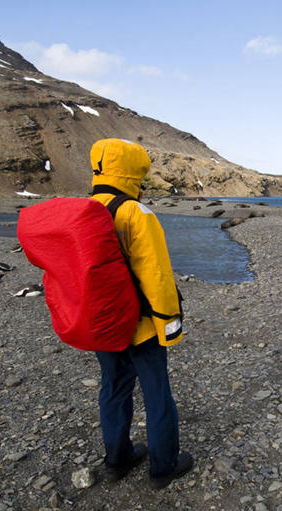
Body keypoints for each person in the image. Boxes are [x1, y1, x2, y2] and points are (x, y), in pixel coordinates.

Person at [88, 138, 193, 488]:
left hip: (103, 322)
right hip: (141, 325)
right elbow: (156, 274)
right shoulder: (135, 212)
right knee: (156, 393)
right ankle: (164, 466)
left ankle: (117, 458)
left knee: (114, 389)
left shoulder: (86, 209)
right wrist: (170, 326)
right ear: (133, 170)